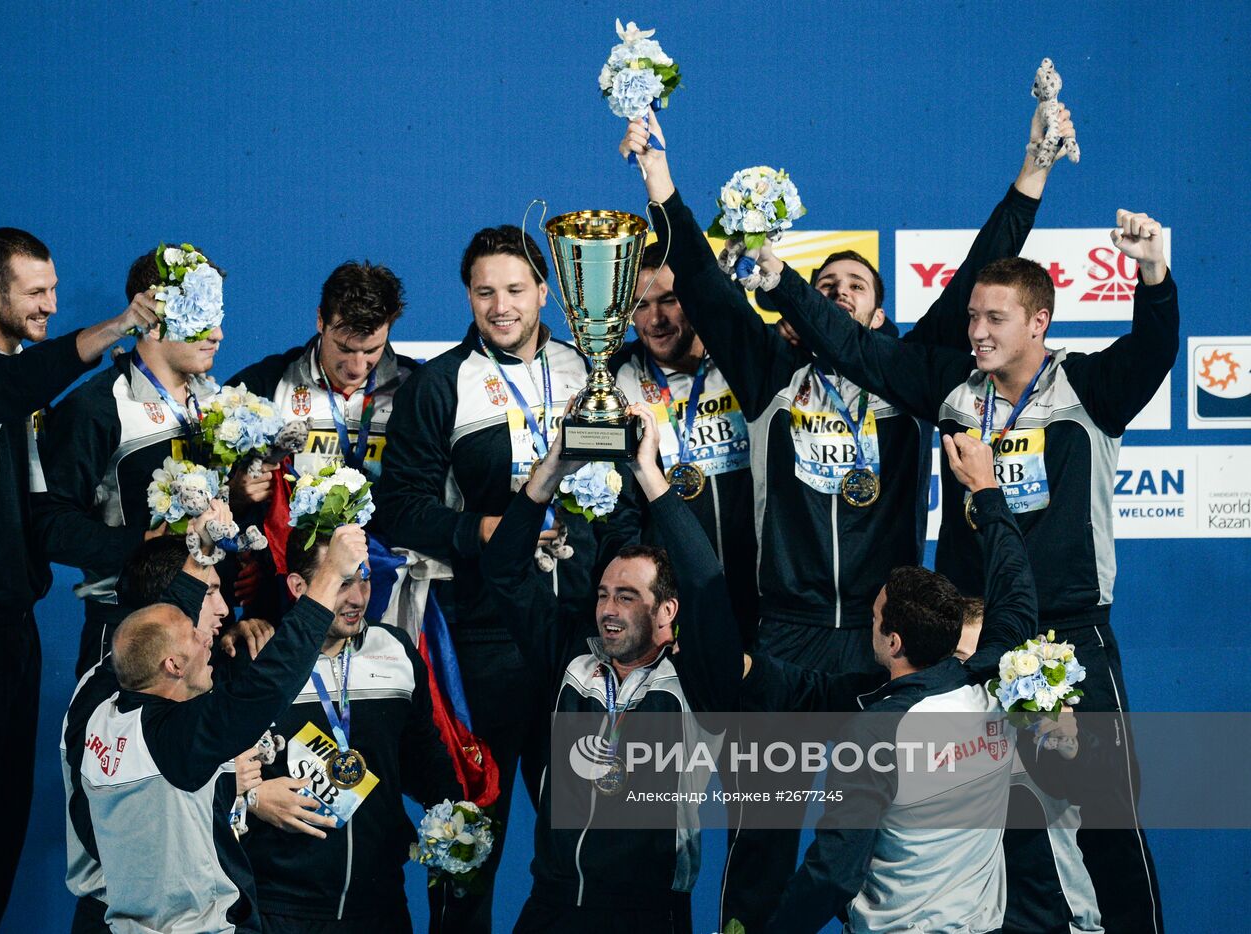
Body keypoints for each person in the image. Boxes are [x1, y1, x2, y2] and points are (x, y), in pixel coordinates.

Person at [620, 102, 1075, 930]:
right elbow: (706, 286)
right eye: (820, 286)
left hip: (888, 637)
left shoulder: (908, 376)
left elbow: (986, 262)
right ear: (797, 309)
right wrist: (658, 177)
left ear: (875, 315)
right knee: (763, 834)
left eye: (853, 289)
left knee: (927, 820)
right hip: (790, 636)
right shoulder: (767, 373)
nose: (833, 296)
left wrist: (1030, 180)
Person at [744, 204, 1176, 933]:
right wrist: (784, 285)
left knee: (1107, 817)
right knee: (997, 818)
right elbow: (856, 348)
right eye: (972, 315)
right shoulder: (951, 390)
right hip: (979, 644)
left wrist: (1152, 272)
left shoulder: (1090, 389)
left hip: (1073, 635)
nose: (976, 331)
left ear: (1038, 322)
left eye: (995, 319)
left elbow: (1156, 346)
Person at [375, 225, 637, 932]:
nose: (501, 306)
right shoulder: (440, 384)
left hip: (581, 645)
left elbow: (624, 504)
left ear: (545, 292)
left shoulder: (591, 371)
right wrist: (483, 531)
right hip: (483, 642)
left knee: (585, 844)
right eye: (485, 291)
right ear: (468, 294)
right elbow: (399, 508)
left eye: (516, 289)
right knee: (470, 846)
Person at [0, 226, 158, 932]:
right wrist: (118, 326)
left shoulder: (13, 366)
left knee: (5, 809)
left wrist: (141, 548)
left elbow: (43, 513)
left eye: (53, 289)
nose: (49, 303)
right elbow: (12, 386)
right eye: (36, 292)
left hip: (11, 618)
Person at [752, 432, 1037, 932]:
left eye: (876, 613)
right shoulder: (994, 682)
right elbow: (1016, 590)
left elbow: (834, 874)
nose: (870, 619)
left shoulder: (875, 733)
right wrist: (987, 490)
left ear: (895, 642)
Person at [484, 404, 740, 933]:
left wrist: (647, 474)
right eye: (603, 594)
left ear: (667, 611)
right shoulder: (570, 658)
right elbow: (503, 571)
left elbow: (708, 582)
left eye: (627, 596)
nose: (607, 609)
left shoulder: (698, 682)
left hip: (646, 915)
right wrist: (552, 469)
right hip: (552, 908)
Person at [80, 524, 368, 933]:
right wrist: (330, 575)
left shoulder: (103, 711)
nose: (207, 640)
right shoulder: (179, 739)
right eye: (193, 639)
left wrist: (201, 553)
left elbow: (148, 637)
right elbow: (271, 681)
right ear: (173, 666)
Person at [232, 524, 463, 933]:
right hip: (282, 907)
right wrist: (250, 797)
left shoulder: (394, 650)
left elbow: (423, 753)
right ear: (300, 586)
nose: (358, 598)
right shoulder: (262, 658)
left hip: (380, 906)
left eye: (365, 579)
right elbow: (205, 767)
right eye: (342, 582)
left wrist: (461, 816)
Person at [35, 246, 228, 677]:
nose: (217, 334)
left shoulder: (216, 402)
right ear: (154, 320)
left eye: (218, 315)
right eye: (200, 315)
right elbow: (49, 526)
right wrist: (142, 541)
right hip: (127, 624)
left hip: (206, 616)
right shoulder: (97, 408)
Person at [61, 504, 238, 933]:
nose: (224, 610)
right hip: (117, 918)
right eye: (209, 592)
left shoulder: (201, 683)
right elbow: (107, 831)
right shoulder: (101, 694)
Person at [226, 260, 417, 609]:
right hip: (292, 591)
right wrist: (237, 494)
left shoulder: (417, 388)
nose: (357, 366)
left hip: (388, 586)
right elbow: (220, 499)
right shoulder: (265, 386)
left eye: (372, 350)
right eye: (344, 348)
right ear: (320, 320)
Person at [610, 239, 759, 641]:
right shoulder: (614, 379)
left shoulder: (744, 359)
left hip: (763, 600)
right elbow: (618, 512)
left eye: (669, 300)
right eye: (640, 305)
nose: (654, 319)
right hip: (672, 609)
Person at [955, 606, 1104, 933]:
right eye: (961, 662)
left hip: (1055, 925)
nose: (975, 674)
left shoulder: (1043, 729)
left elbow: (1086, 781)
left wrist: (1069, 745)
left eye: (985, 661)